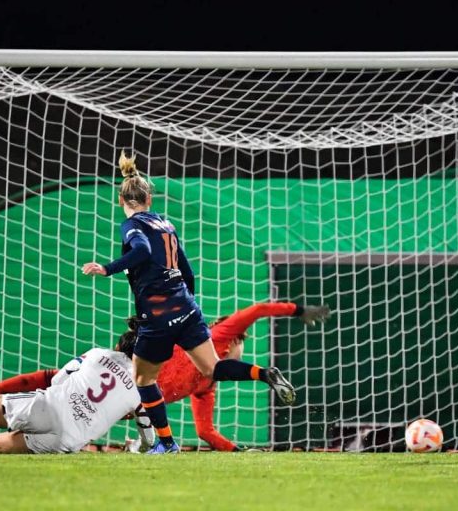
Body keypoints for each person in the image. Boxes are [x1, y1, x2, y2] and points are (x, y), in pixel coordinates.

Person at [81, 151, 300, 454]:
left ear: (122, 201)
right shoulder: (167, 225)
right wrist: (188, 305)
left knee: (143, 379)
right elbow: (187, 271)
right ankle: (264, 374)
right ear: (150, 199)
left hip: (157, 317)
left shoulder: (132, 226)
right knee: (212, 369)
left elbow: (142, 251)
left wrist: (107, 268)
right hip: (185, 309)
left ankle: (167, 442)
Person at [0, 302, 330, 451]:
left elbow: (205, 431)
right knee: (55, 382)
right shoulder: (216, 336)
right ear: (233, 339)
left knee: (56, 389)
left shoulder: (206, 384)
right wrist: (298, 310)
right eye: (241, 346)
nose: (239, 347)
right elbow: (258, 309)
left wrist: (239, 450)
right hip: (132, 372)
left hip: (131, 398)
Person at [0, 330, 154, 455]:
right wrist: (136, 447)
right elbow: (149, 438)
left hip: (50, 407)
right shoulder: (144, 388)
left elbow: (59, 379)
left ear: (118, 346)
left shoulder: (97, 354)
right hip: (67, 439)